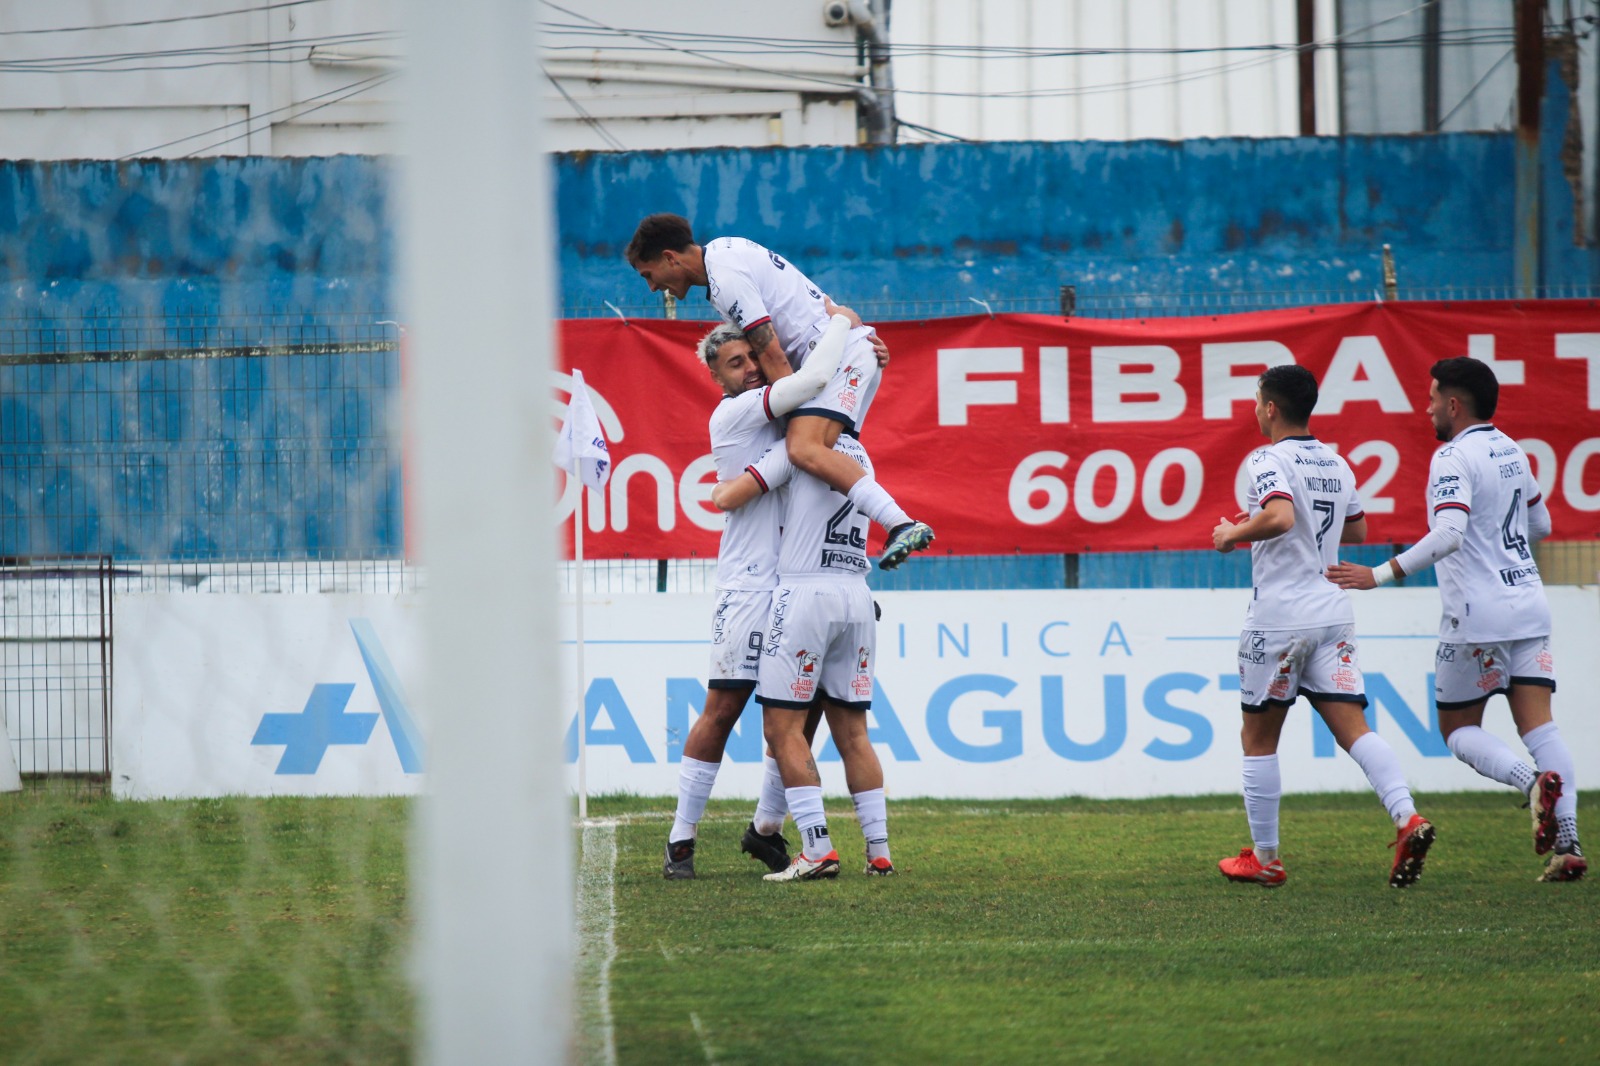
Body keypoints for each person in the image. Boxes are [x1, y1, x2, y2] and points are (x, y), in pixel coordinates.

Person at [1329, 356, 1584, 882]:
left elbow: (1449, 534)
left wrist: (1379, 574)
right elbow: (1540, 522)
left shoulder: (1453, 456)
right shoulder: (1511, 449)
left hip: (1478, 615)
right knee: (1541, 726)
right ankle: (1570, 844)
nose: (1426, 409)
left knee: (1457, 728)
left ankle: (1531, 782)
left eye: (1430, 399)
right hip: (1528, 602)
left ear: (1452, 404)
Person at [1213, 364, 1434, 889]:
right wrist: (1287, 527)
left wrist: (1232, 535)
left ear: (1271, 408)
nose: (1255, 410)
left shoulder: (1266, 458)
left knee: (1257, 738)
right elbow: (1356, 528)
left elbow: (1281, 517)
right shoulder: (1335, 461)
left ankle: (1266, 859)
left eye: (1257, 401)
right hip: (1332, 613)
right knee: (1355, 729)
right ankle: (1407, 816)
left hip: (1280, 618)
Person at [625, 212, 934, 570]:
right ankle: (845, 568)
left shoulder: (724, 277)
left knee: (802, 449)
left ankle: (901, 524)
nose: (652, 287)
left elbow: (771, 353)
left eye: (648, 275)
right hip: (844, 352)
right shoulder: (726, 252)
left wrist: (791, 422)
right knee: (822, 465)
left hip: (837, 359)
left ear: (669, 258)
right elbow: (800, 304)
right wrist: (855, 336)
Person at [664, 315, 853, 879]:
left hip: (799, 584)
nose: (749, 369)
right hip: (748, 586)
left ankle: (765, 827)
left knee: (801, 710)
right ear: (717, 378)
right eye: (735, 363)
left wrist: (869, 356)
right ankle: (680, 840)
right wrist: (845, 328)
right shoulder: (737, 412)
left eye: (752, 357)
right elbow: (815, 381)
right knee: (722, 709)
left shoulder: (792, 416)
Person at [712, 434, 895, 881]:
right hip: (856, 594)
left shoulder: (796, 448)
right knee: (854, 734)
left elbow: (730, 498)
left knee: (781, 729)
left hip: (805, 594)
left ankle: (817, 849)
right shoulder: (859, 452)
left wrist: (719, 488)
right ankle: (879, 853)